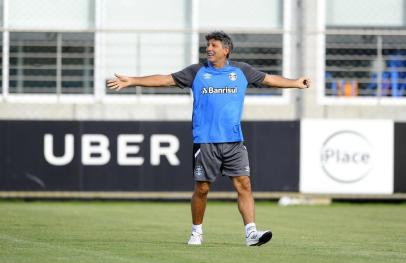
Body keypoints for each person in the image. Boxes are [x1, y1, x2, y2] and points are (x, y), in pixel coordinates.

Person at [107, 31, 310, 246]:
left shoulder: (242, 71)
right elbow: (165, 80)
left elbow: (270, 79)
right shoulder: (197, 71)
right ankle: (197, 232)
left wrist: (296, 82)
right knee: (202, 189)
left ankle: (251, 234)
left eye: (214, 45)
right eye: (208, 46)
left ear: (226, 49)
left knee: (245, 185)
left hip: (234, 142)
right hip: (205, 141)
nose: (209, 49)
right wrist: (133, 81)